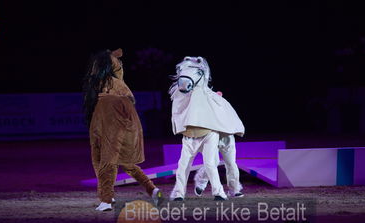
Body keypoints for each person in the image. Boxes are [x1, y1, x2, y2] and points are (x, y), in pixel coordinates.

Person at [83, 48, 163, 211]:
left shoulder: (105, 85)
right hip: (127, 121)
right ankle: (153, 190)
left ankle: (106, 200)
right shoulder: (120, 84)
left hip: (112, 120)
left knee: (106, 161)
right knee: (127, 163)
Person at [168, 56, 245, 201]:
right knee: (195, 164)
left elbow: (226, 112)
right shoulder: (186, 95)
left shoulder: (212, 97)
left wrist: (233, 128)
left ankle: (233, 189)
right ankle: (184, 191)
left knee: (226, 163)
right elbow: (178, 112)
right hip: (197, 134)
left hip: (222, 134)